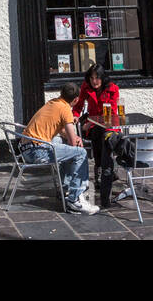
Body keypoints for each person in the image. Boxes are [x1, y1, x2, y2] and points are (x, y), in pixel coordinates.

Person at [20, 83, 98, 215]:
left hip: (25, 148)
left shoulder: (53, 102)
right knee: (80, 153)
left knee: (65, 146)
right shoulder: (66, 109)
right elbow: (73, 143)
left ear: (61, 94)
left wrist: (72, 137)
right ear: (76, 100)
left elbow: (62, 131)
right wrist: (75, 138)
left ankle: (66, 188)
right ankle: (75, 200)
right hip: (37, 151)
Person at [73, 64, 121, 206]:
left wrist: (91, 122)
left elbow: (111, 113)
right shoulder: (86, 87)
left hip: (109, 124)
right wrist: (76, 116)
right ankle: (106, 170)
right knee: (100, 135)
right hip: (94, 124)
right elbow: (78, 105)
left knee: (105, 134)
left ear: (103, 77)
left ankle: (103, 170)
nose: (94, 81)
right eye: (92, 78)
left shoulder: (112, 88)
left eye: (97, 78)